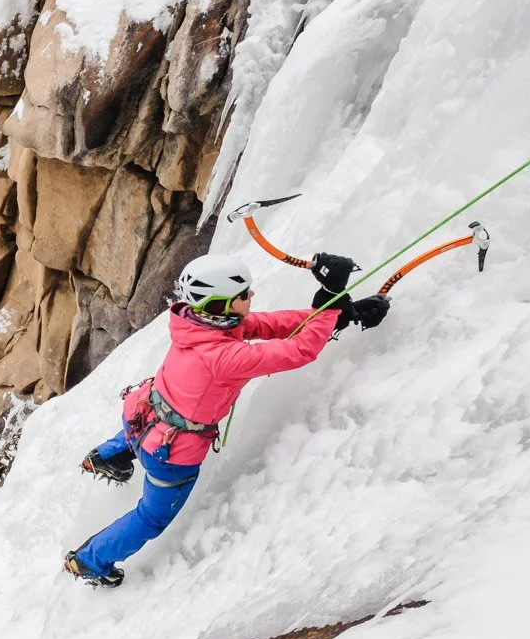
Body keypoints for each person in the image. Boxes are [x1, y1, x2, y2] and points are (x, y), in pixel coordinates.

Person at [62, 252, 389, 588]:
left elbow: (270, 324)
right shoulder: (222, 356)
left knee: (153, 423)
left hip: (144, 413)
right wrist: (329, 306)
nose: (252, 297)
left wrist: (335, 314)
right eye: (244, 295)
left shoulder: (197, 323)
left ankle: (108, 456)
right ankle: (89, 561)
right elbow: (296, 352)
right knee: (151, 517)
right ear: (221, 304)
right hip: (170, 455)